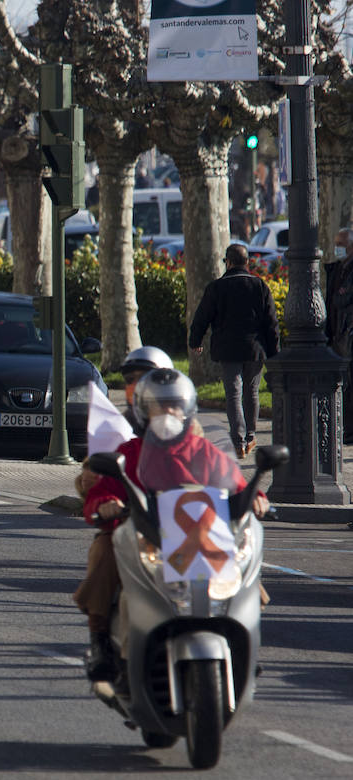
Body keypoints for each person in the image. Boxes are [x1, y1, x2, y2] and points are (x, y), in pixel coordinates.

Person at [80, 367, 268, 681]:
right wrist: (105, 505)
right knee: (104, 549)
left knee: (242, 562)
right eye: (160, 405)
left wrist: (256, 497)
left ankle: (242, 640)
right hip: (143, 536)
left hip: (197, 539)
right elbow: (98, 495)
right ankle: (100, 640)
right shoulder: (128, 453)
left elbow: (236, 485)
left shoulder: (205, 452)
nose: (168, 411)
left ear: (187, 410)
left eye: (175, 405)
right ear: (143, 411)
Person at [73, 345, 174, 681]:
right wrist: (94, 489)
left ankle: (239, 632)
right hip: (132, 526)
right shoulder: (123, 432)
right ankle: (100, 639)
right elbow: (95, 479)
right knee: (105, 550)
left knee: (234, 556)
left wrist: (250, 495)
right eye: (129, 381)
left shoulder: (190, 436)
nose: (135, 387)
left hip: (183, 530)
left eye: (143, 379)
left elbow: (218, 473)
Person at [188, 243, 280, 458]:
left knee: (233, 395)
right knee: (252, 393)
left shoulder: (216, 287)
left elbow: (202, 317)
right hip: (255, 349)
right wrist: (275, 353)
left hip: (228, 349)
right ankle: (250, 435)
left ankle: (237, 441)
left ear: (227, 263)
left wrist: (195, 340)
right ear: (247, 262)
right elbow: (271, 322)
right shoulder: (259, 286)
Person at [325, 227, 353, 443]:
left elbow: (342, 300)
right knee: (344, 384)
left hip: (348, 334)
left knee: (348, 384)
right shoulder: (339, 269)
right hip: (340, 334)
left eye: (341, 245)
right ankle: (347, 428)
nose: (337, 249)